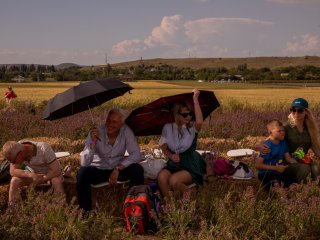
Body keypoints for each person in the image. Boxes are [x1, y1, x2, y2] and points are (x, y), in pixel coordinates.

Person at [77, 108, 144, 212]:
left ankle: (135, 209)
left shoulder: (126, 131)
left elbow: (136, 154)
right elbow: (84, 162)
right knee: (82, 173)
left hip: (117, 170)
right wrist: (93, 143)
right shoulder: (96, 131)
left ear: (122, 124)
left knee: (137, 169)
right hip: (98, 169)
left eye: (114, 122)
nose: (110, 124)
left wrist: (118, 168)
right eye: (108, 120)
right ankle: (85, 214)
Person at [256, 98, 320, 187]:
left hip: (303, 160)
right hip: (286, 163)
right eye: (293, 110)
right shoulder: (286, 128)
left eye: (300, 111)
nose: (296, 113)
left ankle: (313, 191)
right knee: (304, 169)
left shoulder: (309, 129)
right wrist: (258, 146)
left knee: (316, 168)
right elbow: (270, 139)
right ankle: (299, 191)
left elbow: (316, 148)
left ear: (306, 112)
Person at [157, 89, 205, 200]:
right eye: (185, 114)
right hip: (174, 163)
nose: (189, 117)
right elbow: (164, 148)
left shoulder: (192, 128)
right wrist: (171, 156)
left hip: (190, 163)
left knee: (174, 181)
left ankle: (191, 200)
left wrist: (195, 100)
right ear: (177, 115)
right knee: (161, 177)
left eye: (190, 113)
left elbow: (199, 122)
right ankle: (170, 206)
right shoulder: (168, 128)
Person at [2, 140, 64, 205]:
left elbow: (56, 170)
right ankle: (13, 208)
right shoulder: (17, 147)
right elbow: (13, 171)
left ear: (20, 154)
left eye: (14, 161)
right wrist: (30, 175)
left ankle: (59, 208)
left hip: (50, 174)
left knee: (56, 181)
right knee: (14, 181)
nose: (14, 163)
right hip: (34, 174)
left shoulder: (44, 148)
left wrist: (43, 178)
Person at [255, 119, 297, 191]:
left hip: (278, 171)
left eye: (283, 130)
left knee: (292, 183)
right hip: (266, 173)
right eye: (279, 131)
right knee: (276, 188)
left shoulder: (283, 142)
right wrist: (275, 168)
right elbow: (258, 165)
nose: (282, 133)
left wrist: (297, 162)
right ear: (270, 132)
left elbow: (288, 158)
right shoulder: (267, 146)